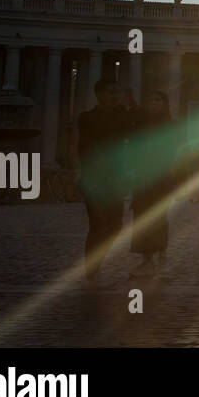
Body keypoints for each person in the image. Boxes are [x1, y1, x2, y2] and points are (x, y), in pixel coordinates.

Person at [75, 79, 133, 282]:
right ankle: (92, 272)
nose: (115, 97)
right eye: (110, 93)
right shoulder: (87, 118)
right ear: (99, 94)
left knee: (115, 225)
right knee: (98, 224)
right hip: (95, 178)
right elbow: (85, 148)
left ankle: (95, 267)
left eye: (117, 92)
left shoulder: (123, 116)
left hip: (115, 178)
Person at [129, 90, 181, 275]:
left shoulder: (172, 125)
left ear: (164, 103)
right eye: (150, 99)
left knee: (159, 216)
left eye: (157, 100)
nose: (153, 103)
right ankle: (146, 259)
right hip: (143, 176)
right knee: (142, 216)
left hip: (162, 177)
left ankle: (161, 253)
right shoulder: (138, 124)